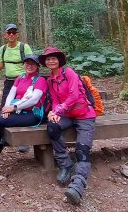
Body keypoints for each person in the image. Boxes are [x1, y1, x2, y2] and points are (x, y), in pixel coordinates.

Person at [39, 46, 96, 205]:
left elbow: (74, 95)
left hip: (84, 114)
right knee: (52, 127)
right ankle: (66, 164)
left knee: (82, 148)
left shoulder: (69, 73)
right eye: (48, 58)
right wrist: (53, 113)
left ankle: (78, 185)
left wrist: (58, 110)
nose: (51, 60)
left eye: (54, 58)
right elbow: (56, 99)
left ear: (59, 60)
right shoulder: (50, 79)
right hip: (68, 115)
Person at [0, 54, 47, 171]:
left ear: (37, 66)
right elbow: (11, 93)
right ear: (23, 64)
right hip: (17, 111)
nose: (29, 66)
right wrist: (6, 107)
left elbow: (34, 100)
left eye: (32, 64)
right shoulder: (20, 77)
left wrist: (13, 108)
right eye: (27, 63)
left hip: (32, 114)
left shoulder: (40, 80)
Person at [0, 23, 33, 110]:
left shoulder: (24, 47)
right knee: (4, 108)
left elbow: (32, 64)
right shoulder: (3, 48)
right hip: (9, 82)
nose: (11, 35)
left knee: (22, 106)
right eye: (9, 32)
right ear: (5, 35)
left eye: (13, 32)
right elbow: (0, 66)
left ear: (17, 35)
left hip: (23, 81)